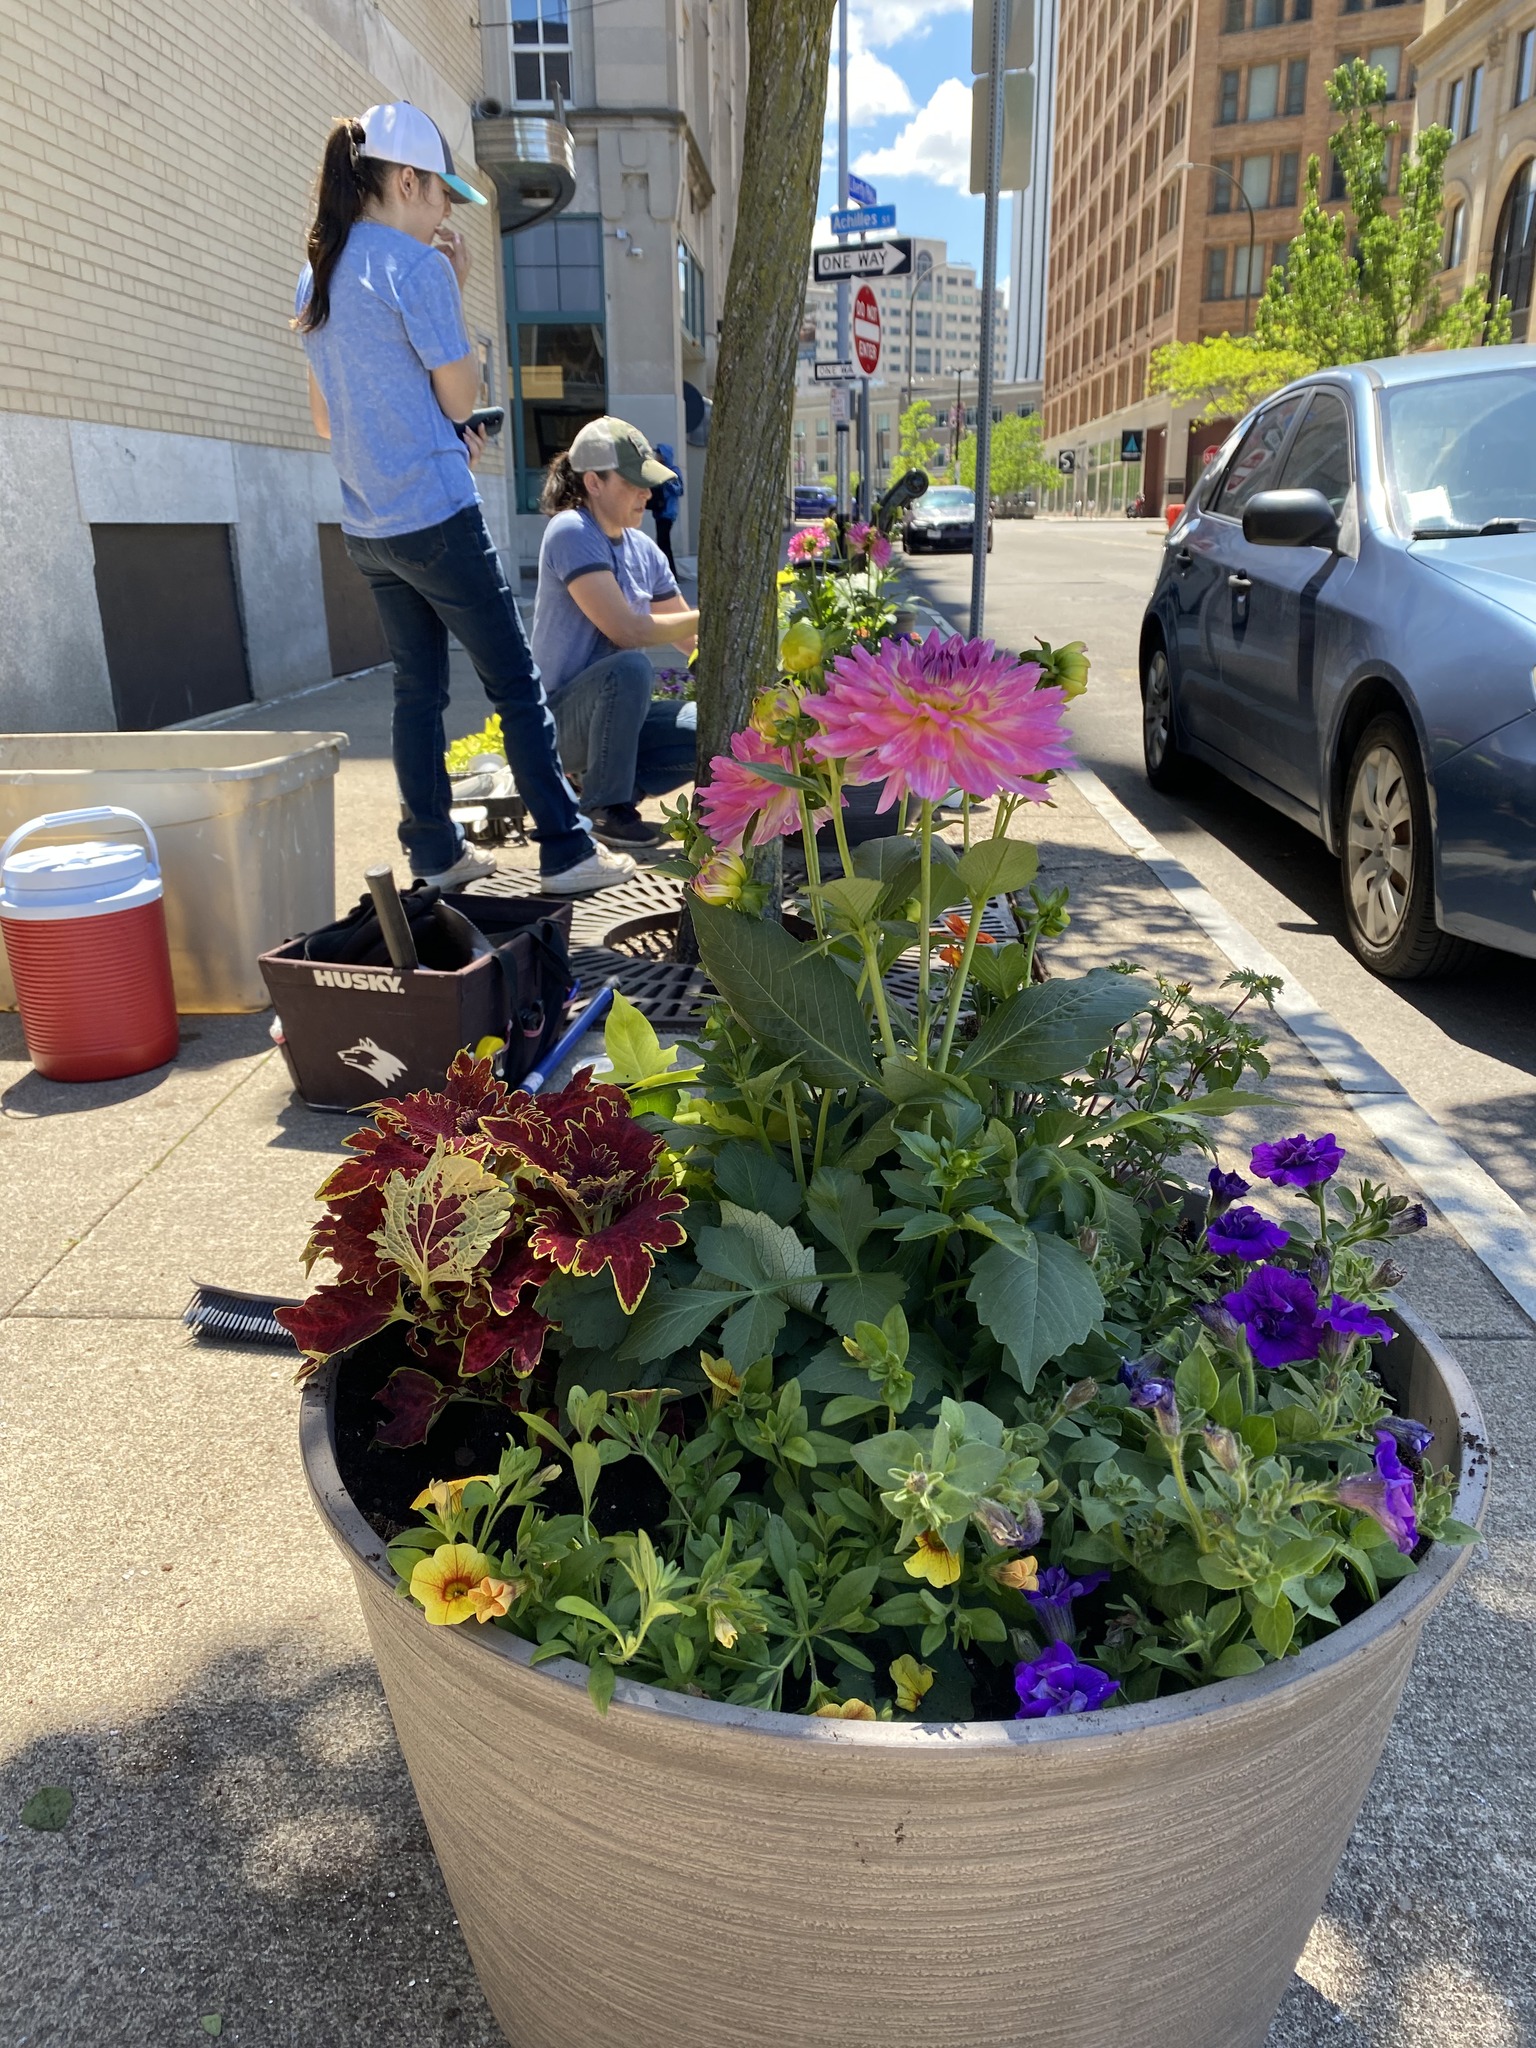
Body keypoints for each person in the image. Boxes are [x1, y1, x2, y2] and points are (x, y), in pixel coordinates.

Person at [294, 104, 630, 896]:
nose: (448, 210)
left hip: (368, 526)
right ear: (407, 182)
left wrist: (434, 427)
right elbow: (457, 397)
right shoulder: (416, 270)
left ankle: (436, 854)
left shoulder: (318, 272)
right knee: (515, 683)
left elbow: (327, 419)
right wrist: (456, 289)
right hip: (437, 516)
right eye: (443, 192)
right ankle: (566, 850)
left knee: (417, 690)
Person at [530, 419, 699, 849]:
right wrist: (712, 617)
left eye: (648, 483)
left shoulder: (645, 550)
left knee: (711, 727)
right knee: (629, 667)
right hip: (557, 726)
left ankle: (604, 789)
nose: (647, 494)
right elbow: (626, 630)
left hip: (612, 721)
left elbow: (689, 639)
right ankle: (605, 808)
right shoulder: (571, 531)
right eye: (633, 483)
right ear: (594, 483)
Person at [646, 441, 682, 573]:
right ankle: (666, 573)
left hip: (668, 513)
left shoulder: (673, 471)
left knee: (664, 544)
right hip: (659, 512)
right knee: (662, 543)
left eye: (659, 454)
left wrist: (667, 481)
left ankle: (670, 573)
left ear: (664, 456)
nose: (657, 456)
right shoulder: (658, 470)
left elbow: (679, 490)